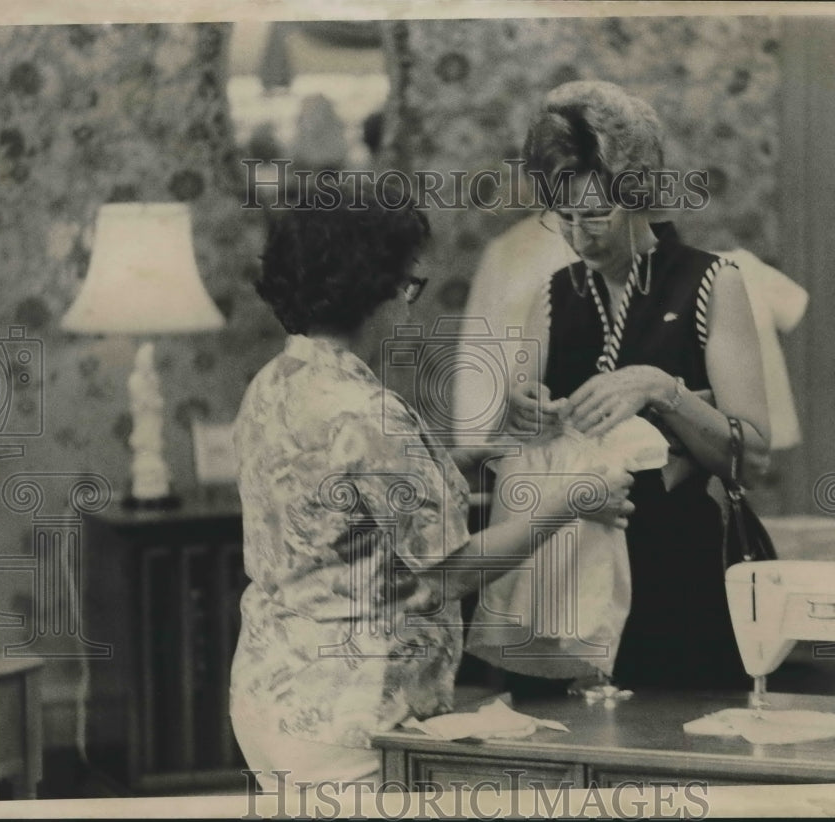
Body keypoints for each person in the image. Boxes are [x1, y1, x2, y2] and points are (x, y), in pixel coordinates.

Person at [228, 180, 635, 789]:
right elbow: (448, 572)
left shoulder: (275, 383)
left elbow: (356, 512)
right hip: (350, 712)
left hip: (271, 693)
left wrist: (474, 453)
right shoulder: (368, 412)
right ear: (374, 288)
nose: (410, 303)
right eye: (408, 285)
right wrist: (572, 500)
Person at [508, 80, 772, 692]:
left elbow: (754, 457)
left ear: (642, 194)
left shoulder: (711, 282)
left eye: (597, 215)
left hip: (680, 582)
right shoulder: (551, 297)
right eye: (564, 218)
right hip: (573, 582)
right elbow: (512, 437)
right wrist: (524, 415)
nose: (580, 237)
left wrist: (662, 389)